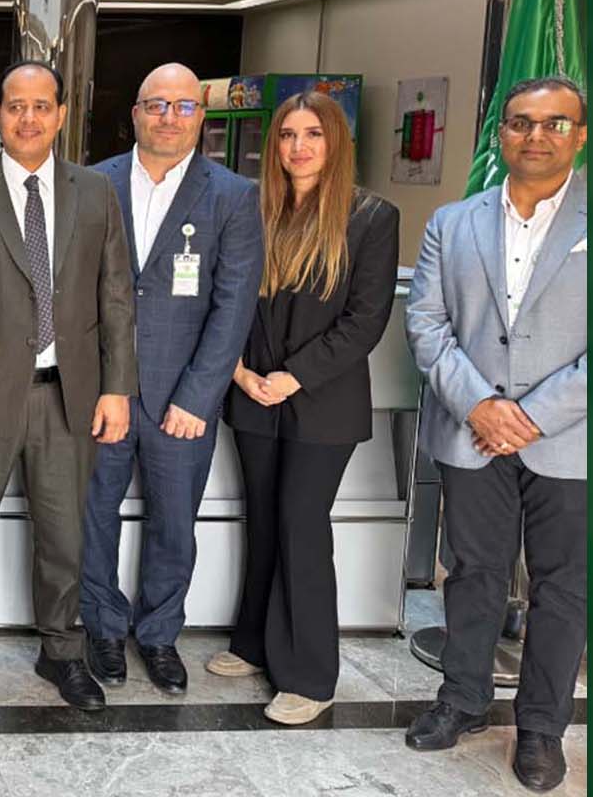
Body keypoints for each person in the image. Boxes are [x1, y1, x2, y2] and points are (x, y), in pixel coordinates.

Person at [0, 62, 137, 714]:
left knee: (65, 535)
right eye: (16, 106)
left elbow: (117, 297)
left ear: (61, 114)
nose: (29, 118)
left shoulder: (96, 194)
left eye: (42, 106)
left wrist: (118, 386)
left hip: (70, 397)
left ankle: (61, 652)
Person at [404, 77, 587, 793]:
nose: (535, 136)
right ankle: (462, 700)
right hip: (472, 432)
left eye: (554, 123)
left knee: (562, 587)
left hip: (569, 439)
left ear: (579, 134)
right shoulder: (453, 222)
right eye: (520, 122)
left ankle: (542, 729)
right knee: (473, 574)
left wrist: (534, 414)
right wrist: (480, 405)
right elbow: (426, 323)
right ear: (500, 133)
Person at [214, 91, 400, 725]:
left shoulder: (371, 216)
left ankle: (310, 675)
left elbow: (365, 320)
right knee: (263, 518)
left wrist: (292, 377)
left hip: (321, 401)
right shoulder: (253, 208)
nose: (298, 147)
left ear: (336, 143)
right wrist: (237, 370)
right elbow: (229, 296)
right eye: (288, 135)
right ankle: (253, 642)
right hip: (251, 395)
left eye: (312, 134)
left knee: (300, 522)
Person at [82, 62, 263, 694]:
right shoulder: (92, 183)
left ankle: (158, 635)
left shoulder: (233, 196)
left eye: (183, 107)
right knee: (93, 515)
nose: (168, 117)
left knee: (173, 522)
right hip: (103, 392)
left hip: (182, 397)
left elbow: (233, 304)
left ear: (201, 119)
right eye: (155, 105)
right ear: (133, 112)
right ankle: (102, 628)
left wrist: (198, 394)